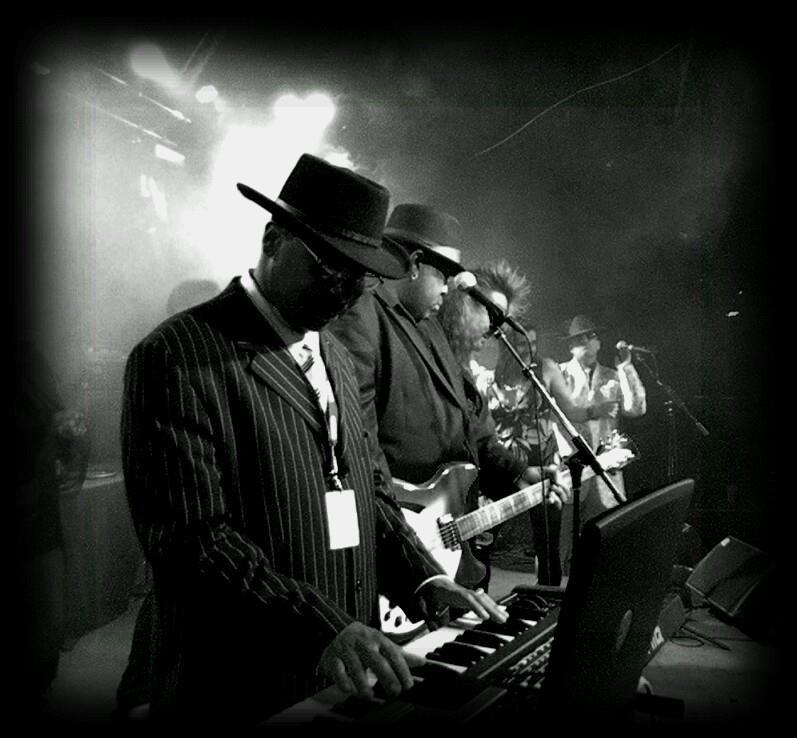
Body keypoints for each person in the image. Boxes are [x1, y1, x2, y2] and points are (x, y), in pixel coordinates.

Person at [119, 154, 507, 725]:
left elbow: (370, 490)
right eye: (329, 267)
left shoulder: (335, 355)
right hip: (238, 686)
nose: (346, 291)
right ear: (273, 240)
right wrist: (320, 628)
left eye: (361, 275)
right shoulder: (177, 356)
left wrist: (424, 576)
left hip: (343, 672)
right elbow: (192, 541)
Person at [329, 206, 567, 596]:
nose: (447, 289)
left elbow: (470, 426)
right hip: (396, 538)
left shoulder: (429, 329)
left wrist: (516, 472)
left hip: (444, 537)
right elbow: (358, 446)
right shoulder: (362, 316)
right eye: (443, 276)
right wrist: (405, 537)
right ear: (414, 264)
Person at [443, 261, 616, 586]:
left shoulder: (544, 370)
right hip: (497, 467)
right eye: (522, 343)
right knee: (481, 541)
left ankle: (546, 595)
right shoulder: (486, 376)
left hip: (540, 462)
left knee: (547, 543)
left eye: (532, 344)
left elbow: (570, 411)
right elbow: (478, 430)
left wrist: (597, 410)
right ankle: (477, 590)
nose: (528, 349)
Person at [14, 335, 88, 709]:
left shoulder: (31, 357)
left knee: (47, 625)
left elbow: (59, 422)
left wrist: (69, 440)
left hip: (36, 513)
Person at [556, 314, 647, 570]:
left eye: (592, 336)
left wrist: (626, 367)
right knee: (562, 542)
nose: (587, 341)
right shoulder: (560, 374)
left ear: (598, 342)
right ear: (571, 345)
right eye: (580, 338)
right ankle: (554, 588)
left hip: (604, 472)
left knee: (603, 540)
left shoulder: (612, 376)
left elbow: (636, 408)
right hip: (570, 470)